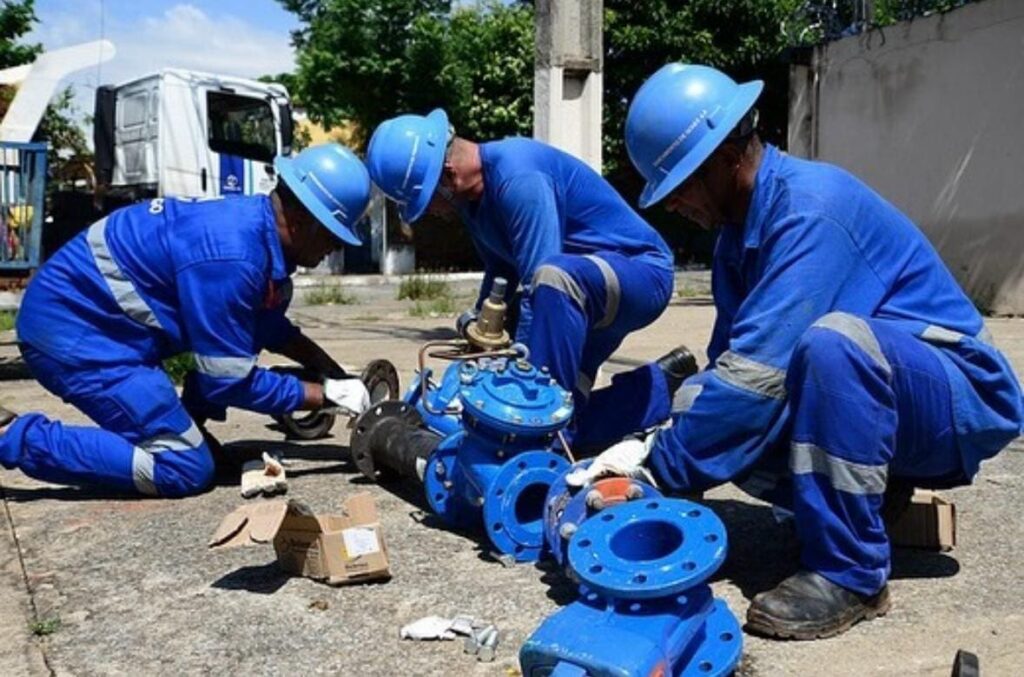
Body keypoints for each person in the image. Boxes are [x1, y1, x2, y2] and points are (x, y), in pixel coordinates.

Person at [569, 63, 1024, 640]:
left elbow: (757, 380)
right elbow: (727, 379)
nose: (675, 203)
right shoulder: (736, 243)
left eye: (681, 183)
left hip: (960, 396)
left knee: (832, 346)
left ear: (728, 156)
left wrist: (655, 472)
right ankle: (871, 503)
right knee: (702, 397)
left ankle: (851, 573)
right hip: (886, 398)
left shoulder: (812, 208)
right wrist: (655, 442)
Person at [0, 143, 374, 498]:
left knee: (211, 423)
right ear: (298, 218)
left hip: (101, 325)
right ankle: (11, 436)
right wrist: (325, 396)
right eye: (332, 233)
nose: (336, 247)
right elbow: (227, 381)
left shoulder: (253, 231)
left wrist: (337, 376)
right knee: (184, 467)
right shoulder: (233, 258)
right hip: (74, 334)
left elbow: (269, 328)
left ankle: (180, 425)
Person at [364, 109, 677, 435]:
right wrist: (477, 327)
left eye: (426, 200)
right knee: (568, 418)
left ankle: (530, 433)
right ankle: (660, 392)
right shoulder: (472, 201)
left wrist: (518, 391)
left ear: (448, 176)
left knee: (535, 406)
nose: (430, 212)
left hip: (639, 273)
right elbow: (501, 270)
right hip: (582, 292)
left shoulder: (518, 176)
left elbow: (541, 284)